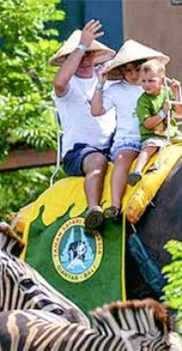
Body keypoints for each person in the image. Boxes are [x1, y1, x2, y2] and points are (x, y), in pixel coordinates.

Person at [91, 40, 169, 220]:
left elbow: (175, 110)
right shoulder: (115, 90)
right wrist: (100, 84)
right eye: (128, 70)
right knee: (122, 159)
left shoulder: (158, 87)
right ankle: (115, 206)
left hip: (158, 137)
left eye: (137, 68)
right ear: (121, 71)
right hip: (130, 140)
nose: (133, 74)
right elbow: (96, 111)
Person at [50, 20, 116, 232]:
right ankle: (93, 210)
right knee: (97, 160)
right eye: (81, 54)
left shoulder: (107, 78)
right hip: (79, 153)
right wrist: (81, 45)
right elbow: (59, 83)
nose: (86, 59)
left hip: (113, 145)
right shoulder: (68, 85)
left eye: (89, 53)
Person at [131, 60, 182, 183]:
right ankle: (137, 171)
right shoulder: (142, 101)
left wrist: (177, 92)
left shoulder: (167, 92)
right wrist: (162, 113)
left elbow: (180, 109)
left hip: (173, 135)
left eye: (151, 81)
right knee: (149, 147)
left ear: (161, 80)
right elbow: (148, 124)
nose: (146, 85)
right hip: (153, 136)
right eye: (143, 81)